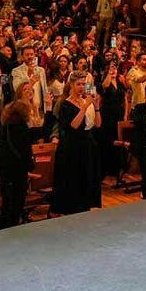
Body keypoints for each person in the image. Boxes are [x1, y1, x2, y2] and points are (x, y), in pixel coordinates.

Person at [50, 72, 101, 215]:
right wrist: (85, 106)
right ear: (71, 85)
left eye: (84, 84)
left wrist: (96, 107)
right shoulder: (65, 104)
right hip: (72, 146)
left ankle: (86, 206)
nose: (82, 87)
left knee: (87, 176)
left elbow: (97, 124)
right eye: (78, 84)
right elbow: (74, 125)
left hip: (88, 143)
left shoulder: (86, 100)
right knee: (73, 179)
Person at [0, 99, 34, 229]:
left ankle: (4, 230)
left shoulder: (3, 128)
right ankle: (11, 230)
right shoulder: (21, 129)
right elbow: (26, 150)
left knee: (7, 204)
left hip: (5, 172)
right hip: (18, 171)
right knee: (16, 205)